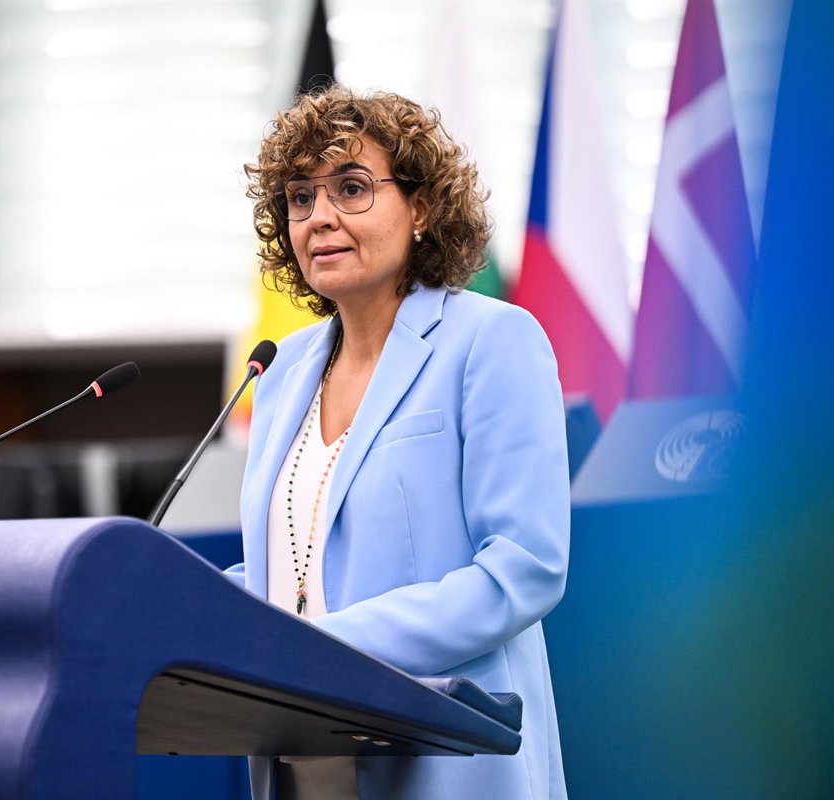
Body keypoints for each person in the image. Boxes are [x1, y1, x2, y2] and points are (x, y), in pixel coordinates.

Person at [226, 86, 570, 799]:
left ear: (421, 207)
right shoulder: (280, 370)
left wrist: (327, 646)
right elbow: (290, 569)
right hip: (297, 760)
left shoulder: (491, 341)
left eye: (351, 189)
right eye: (300, 198)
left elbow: (523, 568)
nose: (320, 216)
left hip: (443, 763)